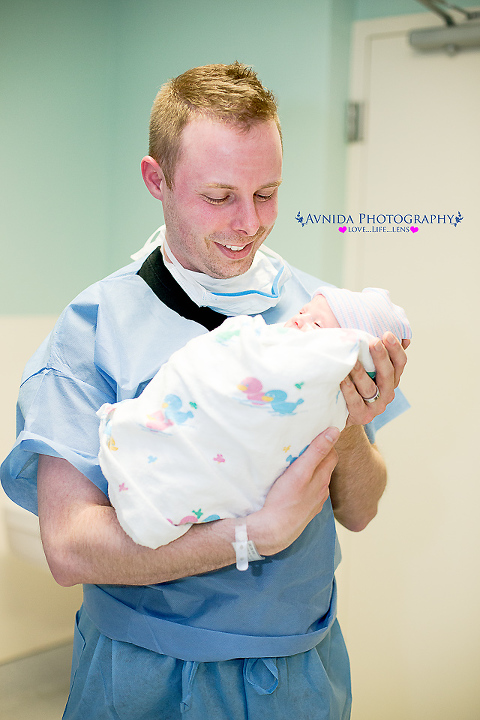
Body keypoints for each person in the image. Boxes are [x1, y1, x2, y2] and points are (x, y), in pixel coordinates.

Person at [0, 63, 408, 719]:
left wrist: (349, 425)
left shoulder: (321, 316)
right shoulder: (95, 327)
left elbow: (358, 511)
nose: (248, 223)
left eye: (267, 193)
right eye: (219, 196)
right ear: (155, 180)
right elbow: (69, 547)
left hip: (299, 670)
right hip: (144, 672)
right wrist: (250, 537)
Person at [97, 286, 412, 552]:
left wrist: (344, 415)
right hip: (152, 618)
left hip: (301, 616)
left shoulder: (348, 376)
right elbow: (67, 553)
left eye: (317, 326)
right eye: (303, 313)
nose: (300, 321)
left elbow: (361, 514)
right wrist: (255, 535)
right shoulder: (105, 309)